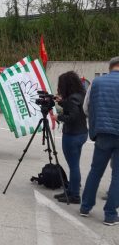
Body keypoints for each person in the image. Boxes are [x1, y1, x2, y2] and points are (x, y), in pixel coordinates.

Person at [80, 56, 119, 225]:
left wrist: (97, 122)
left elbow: (86, 108)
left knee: (95, 171)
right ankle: (110, 215)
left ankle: (85, 207)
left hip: (103, 133)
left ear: (110, 67)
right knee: (117, 176)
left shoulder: (96, 82)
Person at [50, 71, 88, 204]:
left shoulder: (72, 98)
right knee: (74, 164)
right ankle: (71, 190)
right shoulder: (81, 95)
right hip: (81, 132)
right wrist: (62, 102)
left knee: (73, 166)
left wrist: (58, 117)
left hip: (72, 135)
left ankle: (74, 195)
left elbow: (72, 117)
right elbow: (74, 109)